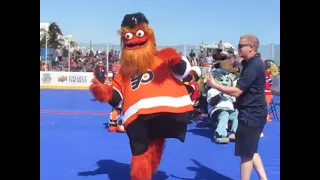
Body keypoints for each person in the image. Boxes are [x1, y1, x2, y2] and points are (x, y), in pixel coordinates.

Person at [89, 12, 193, 180]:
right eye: (128, 36)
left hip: (164, 110)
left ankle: (146, 172)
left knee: (155, 142)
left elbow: (184, 73)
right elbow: (117, 96)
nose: (134, 40)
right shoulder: (124, 71)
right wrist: (104, 93)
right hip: (136, 116)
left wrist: (175, 60)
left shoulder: (162, 57)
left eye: (139, 34)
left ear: (149, 35)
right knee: (140, 151)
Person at [206, 34, 268, 180]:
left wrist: (214, 85)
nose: (238, 48)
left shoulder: (254, 65)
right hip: (252, 112)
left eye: (241, 46)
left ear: (251, 48)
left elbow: (237, 91)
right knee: (251, 149)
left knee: (245, 154)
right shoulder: (251, 62)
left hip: (251, 114)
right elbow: (237, 63)